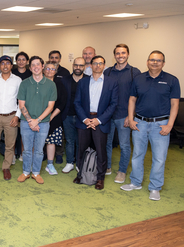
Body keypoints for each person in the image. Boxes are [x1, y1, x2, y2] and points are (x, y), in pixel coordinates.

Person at [121, 51, 180, 201]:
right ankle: (135, 182)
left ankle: (155, 187)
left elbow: (175, 104)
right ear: (147, 62)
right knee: (137, 155)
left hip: (160, 125)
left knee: (159, 158)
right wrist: (131, 118)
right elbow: (132, 100)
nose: (155, 63)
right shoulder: (139, 79)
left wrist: (170, 125)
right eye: (152, 60)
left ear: (163, 63)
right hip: (139, 123)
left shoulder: (172, 80)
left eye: (158, 61)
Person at [73, 56, 118, 190]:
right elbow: (77, 102)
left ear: (104, 65)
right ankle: (80, 174)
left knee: (100, 150)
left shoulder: (111, 82)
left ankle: (100, 178)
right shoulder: (83, 82)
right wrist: (85, 119)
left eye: (100, 63)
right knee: (81, 149)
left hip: (101, 121)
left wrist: (98, 120)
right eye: (95, 63)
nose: (98, 66)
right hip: (84, 120)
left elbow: (113, 104)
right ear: (90, 65)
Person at [17, 56, 56, 184]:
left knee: (39, 150)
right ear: (30, 67)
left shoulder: (51, 85)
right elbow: (21, 105)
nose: (35, 67)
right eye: (33, 65)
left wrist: (37, 121)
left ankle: (36, 173)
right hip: (25, 122)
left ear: (42, 66)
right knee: (27, 150)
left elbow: (50, 106)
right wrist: (30, 121)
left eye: (38, 64)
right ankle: (26, 172)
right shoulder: (24, 83)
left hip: (43, 123)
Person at [105, 44, 141, 183]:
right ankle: (107, 167)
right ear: (114, 55)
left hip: (124, 116)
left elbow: (138, 96)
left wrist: (130, 116)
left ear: (128, 54)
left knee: (125, 145)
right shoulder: (108, 71)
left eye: (123, 53)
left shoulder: (134, 72)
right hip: (108, 115)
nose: (120, 55)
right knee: (107, 143)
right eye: (118, 53)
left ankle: (122, 171)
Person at [0, 55, 21, 181]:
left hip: (11, 117)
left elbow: (21, 101)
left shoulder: (18, 80)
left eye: (8, 63)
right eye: (2, 63)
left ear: (11, 66)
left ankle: (6, 167)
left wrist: (17, 116)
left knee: (10, 145)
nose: (5, 66)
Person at [61, 57, 88, 173]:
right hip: (67, 115)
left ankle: (79, 163)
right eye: (76, 65)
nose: (78, 68)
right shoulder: (65, 80)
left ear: (85, 67)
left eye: (81, 65)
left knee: (81, 141)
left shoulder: (89, 80)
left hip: (83, 117)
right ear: (73, 65)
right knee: (70, 140)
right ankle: (69, 162)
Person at [43, 61, 67, 175]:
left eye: (52, 69)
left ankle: (50, 164)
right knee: (36, 141)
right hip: (38, 117)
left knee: (51, 141)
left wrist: (51, 117)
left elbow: (62, 103)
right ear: (43, 70)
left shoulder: (60, 84)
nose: (50, 71)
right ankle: (34, 163)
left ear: (56, 71)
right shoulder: (39, 83)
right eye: (48, 68)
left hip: (54, 117)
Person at [12, 51, 32, 162]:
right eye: (19, 59)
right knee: (13, 132)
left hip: (26, 105)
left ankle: (23, 154)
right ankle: (14, 153)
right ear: (16, 61)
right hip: (13, 106)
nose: (21, 62)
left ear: (27, 61)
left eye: (23, 59)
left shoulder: (30, 73)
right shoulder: (12, 72)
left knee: (24, 132)